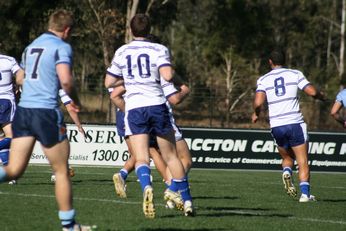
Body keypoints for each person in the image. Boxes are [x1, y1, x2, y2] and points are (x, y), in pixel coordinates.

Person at [0, 10, 94, 230]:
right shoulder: (61, 47)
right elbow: (67, 81)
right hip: (45, 113)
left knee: (13, 169)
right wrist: (76, 100)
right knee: (61, 171)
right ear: (67, 30)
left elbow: (23, 78)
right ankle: (70, 226)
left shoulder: (30, 47)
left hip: (24, 112)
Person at [105, 14, 193, 218]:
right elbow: (168, 76)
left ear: (131, 30)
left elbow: (109, 83)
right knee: (171, 156)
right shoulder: (158, 49)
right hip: (156, 105)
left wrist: (128, 79)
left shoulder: (122, 51)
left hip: (135, 108)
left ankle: (147, 187)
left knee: (142, 157)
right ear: (149, 28)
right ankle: (187, 201)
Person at [252, 49, 325, 203]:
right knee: (302, 159)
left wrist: (257, 113)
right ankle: (305, 195)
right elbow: (312, 92)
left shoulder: (263, 79)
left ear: (270, 62)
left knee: (287, 157)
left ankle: (286, 171)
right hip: (294, 122)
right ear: (284, 61)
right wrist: (321, 96)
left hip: (277, 125)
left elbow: (258, 102)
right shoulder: (295, 74)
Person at [50, 89, 86, 183]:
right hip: (51, 115)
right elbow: (70, 107)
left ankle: (61, 169)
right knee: (60, 142)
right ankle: (61, 170)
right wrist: (79, 126)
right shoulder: (59, 80)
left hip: (29, 112)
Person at [0, 54, 24, 184]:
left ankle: (10, 175)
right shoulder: (8, 60)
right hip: (5, 101)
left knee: (2, 136)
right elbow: (20, 76)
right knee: (12, 136)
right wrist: (19, 87)